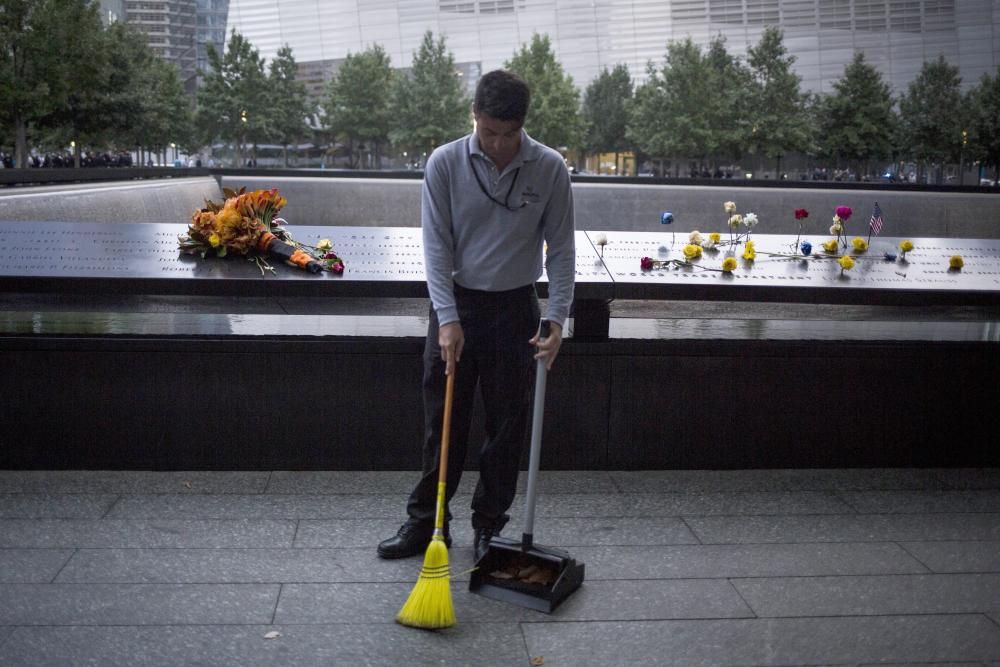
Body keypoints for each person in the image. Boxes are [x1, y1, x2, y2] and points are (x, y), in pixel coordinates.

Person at [377, 69, 576, 562]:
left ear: (522, 126)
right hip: (458, 305)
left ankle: (489, 525)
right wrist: (447, 319)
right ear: (475, 118)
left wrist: (556, 319)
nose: (499, 145)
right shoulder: (444, 163)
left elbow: (563, 250)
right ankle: (427, 522)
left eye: (509, 134)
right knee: (442, 421)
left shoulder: (549, 167)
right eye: (489, 132)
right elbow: (436, 247)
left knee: (507, 426)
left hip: (515, 308)